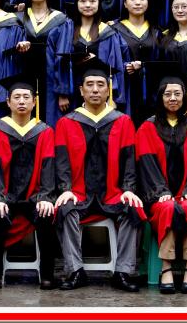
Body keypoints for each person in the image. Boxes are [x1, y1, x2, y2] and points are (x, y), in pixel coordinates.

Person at [53, 58, 145, 292]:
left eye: (101, 84)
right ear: (81, 90)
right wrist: (65, 189)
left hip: (112, 194)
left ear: (108, 89)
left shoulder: (123, 122)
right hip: (79, 193)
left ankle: (123, 272)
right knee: (64, 208)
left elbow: (129, 160)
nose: (95, 89)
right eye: (90, 85)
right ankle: (75, 271)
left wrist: (128, 190)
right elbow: (61, 162)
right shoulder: (66, 123)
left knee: (132, 208)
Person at [134, 63, 187, 294]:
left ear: (185, 97)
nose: (173, 98)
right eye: (167, 94)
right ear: (160, 97)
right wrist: (160, 192)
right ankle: (166, 267)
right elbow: (146, 165)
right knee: (167, 207)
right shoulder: (147, 128)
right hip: (159, 195)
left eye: (177, 93)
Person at [0, 73, 58, 290]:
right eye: (16, 97)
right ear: (8, 102)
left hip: (34, 197)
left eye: (26, 97)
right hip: (6, 196)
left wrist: (45, 197)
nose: (22, 101)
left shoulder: (45, 132)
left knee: (47, 215)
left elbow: (48, 166)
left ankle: (47, 276)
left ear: (34, 102)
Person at [51, 0, 127, 119]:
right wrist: (62, 93)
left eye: (92, 1)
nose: (87, 5)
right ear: (76, 3)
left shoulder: (108, 33)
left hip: (98, 92)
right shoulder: (67, 29)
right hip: (73, 91)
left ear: (99, 3)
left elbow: (114, 65)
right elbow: (58, 62)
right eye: (83, 1)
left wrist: (112, 96)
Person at [15, 0, 70, 126]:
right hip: (23, 79)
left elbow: (63, 56)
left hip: (50, 83)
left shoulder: (61, 20)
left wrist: (62, 92)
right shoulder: (17, 19)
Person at [114, 0, 161, 125]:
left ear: (148, 2)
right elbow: (110, 60)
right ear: (125, 3)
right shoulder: (114, 30)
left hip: (151, 90)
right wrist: (124, 66)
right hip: (126, 90)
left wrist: (145, 66)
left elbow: (161, 62)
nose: (138, 2)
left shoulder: (157, 31)